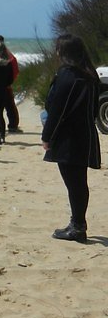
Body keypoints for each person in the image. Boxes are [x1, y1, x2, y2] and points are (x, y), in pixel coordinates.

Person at [41, 34, 101, 243]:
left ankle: (77, 226)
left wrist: (47, 137)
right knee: (79, 182)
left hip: (69, 137)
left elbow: (57, 110)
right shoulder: (90, 75)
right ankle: (78, 224)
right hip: (86, 134)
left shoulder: (68, 75)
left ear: (63, 52)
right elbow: (94, 109)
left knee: (74, 183)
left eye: (58, 49)